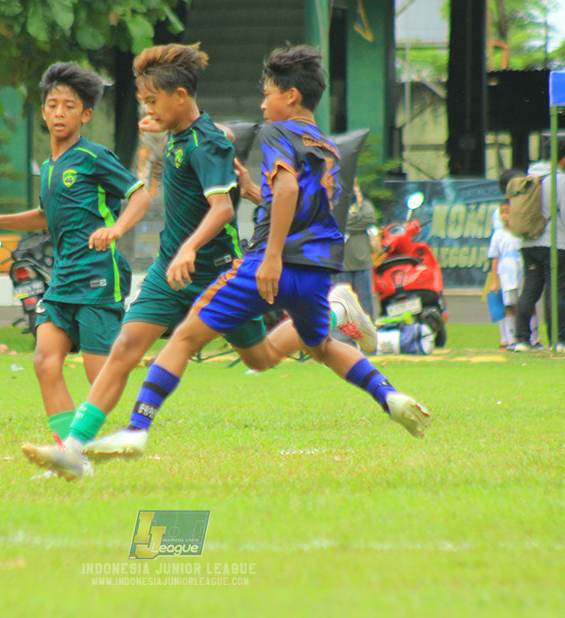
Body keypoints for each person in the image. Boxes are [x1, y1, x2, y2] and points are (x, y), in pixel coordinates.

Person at [22, 45, 431, 480]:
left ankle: (335, 311)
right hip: (168, 272)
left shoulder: (208, 141)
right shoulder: (181, 134)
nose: (147, 109)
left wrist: (190, 247)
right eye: (143, 102)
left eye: (152, 101)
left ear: (180, 96)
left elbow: (219, 210)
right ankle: (74, 448)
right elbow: (233, 179)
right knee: (124, 349)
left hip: (213, 270)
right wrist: (245, 191)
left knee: (261, 357)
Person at [0, 62, 152, 441]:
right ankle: (69, 448)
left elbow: (141, 194)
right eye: (52, 104)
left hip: (98, 273)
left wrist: (116, 228)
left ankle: (123, 432)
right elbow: (44, 216)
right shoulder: (51, 167)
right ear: (42, 111)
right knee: (44, 361)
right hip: (64, 276)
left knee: (98, 374)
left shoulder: (92, 156)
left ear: (85, 115)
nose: (59, 112)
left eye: (69, 106)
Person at [512, 137, 565, 353]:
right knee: (556, 293)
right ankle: (558, 340)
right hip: (555, 243)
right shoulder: (561, 179)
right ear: (564, 159)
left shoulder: (530, 175)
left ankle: (522, 339)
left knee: (530, 291)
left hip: (528, 242)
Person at [333, 182, 378, 320]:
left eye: (357, 191)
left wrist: (349, 223)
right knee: (343, 304)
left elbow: (370, 219)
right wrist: (356, 222)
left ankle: (368, 333)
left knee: (365, 303)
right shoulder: (337, 205)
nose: (356, 194)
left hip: (362, 263)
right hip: (343, 264)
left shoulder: (366, 206)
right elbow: (338, 223)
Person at [487, 199, 522, 348]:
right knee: (509, 306)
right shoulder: (498, 235)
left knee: (526, 304)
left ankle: (533, 338)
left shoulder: (520, 232)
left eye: (508, 212)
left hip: (521, 272)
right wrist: (494, 281)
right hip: (506, 275)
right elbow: (495, 258)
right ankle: (510, 338)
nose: (505, 215)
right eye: (503, 212)